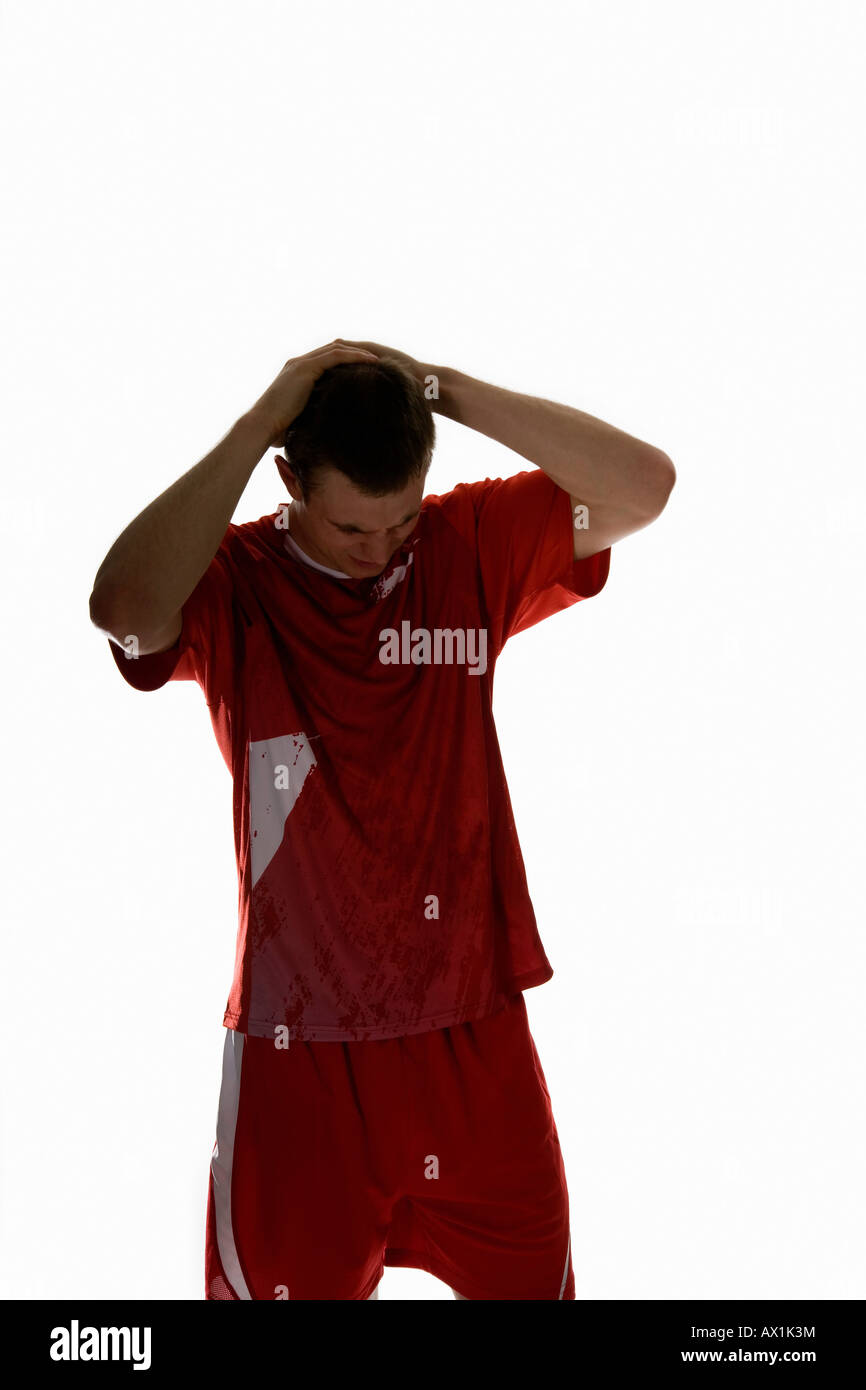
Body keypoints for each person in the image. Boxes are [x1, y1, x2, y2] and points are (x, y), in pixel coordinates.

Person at [89, 338, 675, 1300]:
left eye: (399, 520)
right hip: (301, 1051)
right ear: (289, 479)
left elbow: (644, 487)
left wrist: (444, 390)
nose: (382, 549)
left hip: (473, 1037)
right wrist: (256, 419)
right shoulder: (234, 581)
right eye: (354, 528)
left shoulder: (462, 543)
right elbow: (122, 606)